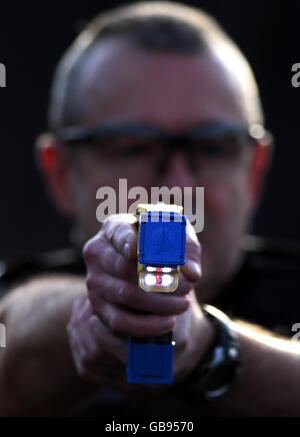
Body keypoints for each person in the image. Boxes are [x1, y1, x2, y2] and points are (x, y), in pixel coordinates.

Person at [0, 1, 300, 417]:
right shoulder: (21, 293)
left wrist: (208, 346)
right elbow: (14, 335)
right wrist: (101, 311)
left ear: (254, 170)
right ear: (62, 174)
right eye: (133, 147)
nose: (177, 189)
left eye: (212, 148)